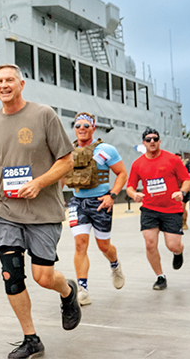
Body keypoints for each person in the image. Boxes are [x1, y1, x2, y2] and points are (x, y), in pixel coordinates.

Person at [0, 63, 80, 359]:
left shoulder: (44, 115)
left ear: (22, 84)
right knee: (11, 275)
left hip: (43, 211)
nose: (4, 85)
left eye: (10, 80)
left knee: (43, 277)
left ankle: (67, 291)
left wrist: (39, 183)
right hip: (5, 209)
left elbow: (67, 161)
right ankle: (31, 338)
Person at [64, 112, 127, 305]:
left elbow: (122, 173)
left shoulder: (105, 149)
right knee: (80, 244)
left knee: (104, 246)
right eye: (78, 126)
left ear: (93, 128)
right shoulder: (68, 151)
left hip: (100, 202)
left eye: (86, 125)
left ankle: (115, 265)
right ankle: (83, 289)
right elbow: (60, 176)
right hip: (77, 203)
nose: (81, 129)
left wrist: (112, 195)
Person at [126, 128, 190, 291]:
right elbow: (130, 186)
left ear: (160, 141)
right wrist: (134, 194)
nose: (152, 141)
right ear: (144, 143)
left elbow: (187, 179)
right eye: (148, 139)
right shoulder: (138, 164)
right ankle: (160, 276)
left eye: (155, 138)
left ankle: (178, 252)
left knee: (173, 245)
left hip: (171, 209)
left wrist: (182, 192)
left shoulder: (172, 159)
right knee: (150, 244)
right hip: (149, 209)